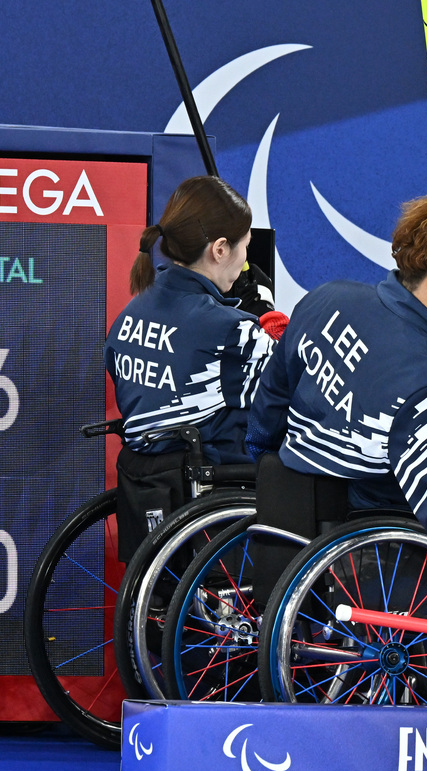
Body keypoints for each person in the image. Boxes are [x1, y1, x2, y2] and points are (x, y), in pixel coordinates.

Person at [245, 196, 427, 653]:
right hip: (376, 545)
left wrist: (265, 463)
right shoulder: (426, 385)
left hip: (294, 518)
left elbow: (271, 402)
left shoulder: (325, 299)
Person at [104, 175, 277, 557]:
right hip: (217, 482)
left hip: (149, 479)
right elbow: (293, 390)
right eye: (245, 249)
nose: (245, 263)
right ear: (220, 249)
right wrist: (268, 321)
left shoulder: (130, 313)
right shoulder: (232, 331)